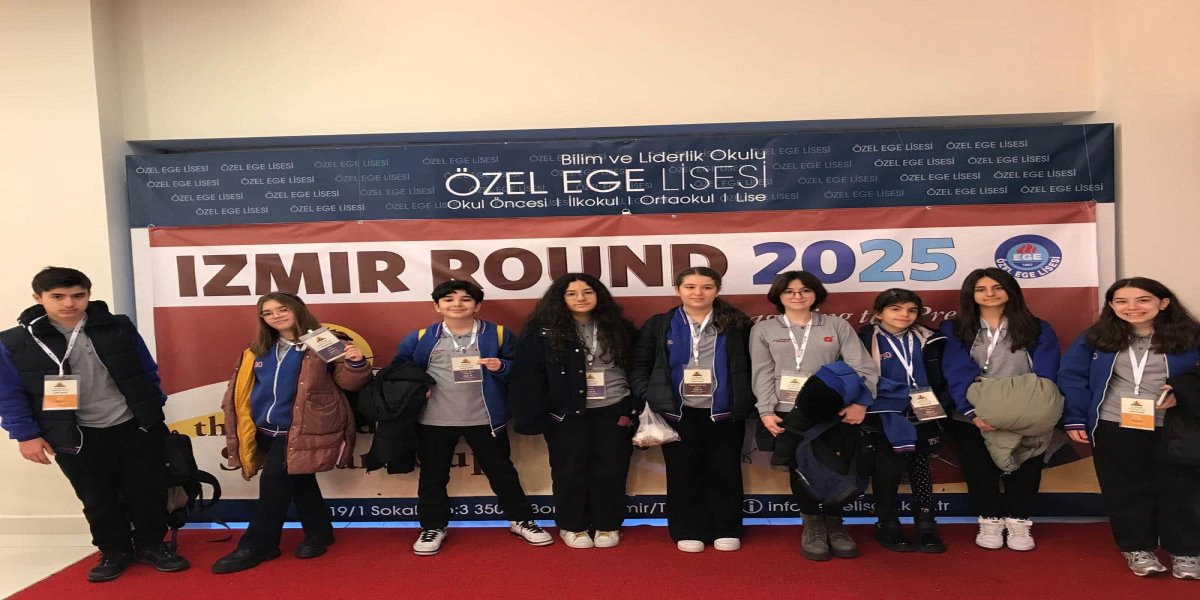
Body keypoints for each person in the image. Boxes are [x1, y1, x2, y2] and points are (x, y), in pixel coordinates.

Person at [0, 267, 189, 582]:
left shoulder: (117, 327)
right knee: (96, 497)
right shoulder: (15, 341)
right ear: (38, 298)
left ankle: (151, 546)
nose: (69, 303)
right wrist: (25, 435)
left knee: (147, 490)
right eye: (58, 297)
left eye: (78, 295)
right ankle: (114, 551)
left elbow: (145, 368)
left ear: (88, 295)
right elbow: (8, 392)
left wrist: (151, 408)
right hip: (73, 433)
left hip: (133, 424)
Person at [212, 292, 370, 573]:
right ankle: (320, 532)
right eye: (268, 313)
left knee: (273, 483)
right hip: (265, 428)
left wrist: (355, 363)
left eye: (282, 309)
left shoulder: (322, 341)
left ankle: (259, 544)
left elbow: (350, 382)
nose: (276, 316)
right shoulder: (258, 349)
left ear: (297, 309)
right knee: (299, 481)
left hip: (300, 429)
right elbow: (244, 388)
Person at [392, 280, 552, 556]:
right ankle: (433, 526)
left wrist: (502, 366)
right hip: (434, 420)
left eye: (465, 299)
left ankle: (522, 520)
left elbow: (523, 371)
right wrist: (417, 389)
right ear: (437, 306)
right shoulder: (420, 337)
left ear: (477, 305)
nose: (457, 304)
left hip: (486, 418)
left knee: (502, 473)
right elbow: (399, 372)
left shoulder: (498, 334)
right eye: (448, 299)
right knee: (432, 476)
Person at [1058, 277, 1200, 579]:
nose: (1132, 307)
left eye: (1143, 300)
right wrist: (1075, 417)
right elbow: (1072, 376)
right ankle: (1137, 548)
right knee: (1124, 489)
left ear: (1163, 303)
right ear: (1111, 306)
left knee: (1183, 489)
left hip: (1177, 426)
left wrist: (1183, 392)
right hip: (1114, 423)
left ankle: (1187, 551)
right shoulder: (1096, 337)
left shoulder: (1192, 336)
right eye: (1121, 301)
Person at [750, 270, 878, 560]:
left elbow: (861, 366)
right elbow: (762, 372)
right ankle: (812, 525)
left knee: (835, 466)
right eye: (789, 291)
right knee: (800, 469)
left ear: (815, 294)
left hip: (832, 411)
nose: (798, 296)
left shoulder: (836, 325)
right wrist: (765, 410)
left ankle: (835, 523)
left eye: (805, 290)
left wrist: (861, 403)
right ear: (779, 296)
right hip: (787, 412)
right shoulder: (764, 330)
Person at [630, 266, 754, 553]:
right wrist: (652, 395)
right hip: (677, 413)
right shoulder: (660, 324)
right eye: (690, 287)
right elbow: (640, 365)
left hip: (723, 412)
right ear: (678, 290)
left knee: (725, 471)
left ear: (717, 290)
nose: (698, 292)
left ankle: (727, 528)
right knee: (682, 473)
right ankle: (687, 529)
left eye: (706, 287)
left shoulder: (736, 324)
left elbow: (751, 365)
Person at [508, 273, 637, 548]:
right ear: (560, 298)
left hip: (614, 408)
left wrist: (634, 404)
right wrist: (530, 416)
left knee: (611, 469)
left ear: (598, 295)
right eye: (572, 293)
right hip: (564, 413)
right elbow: (528, 377)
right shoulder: (541, 333)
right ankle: (573, 526)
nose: (581, 298)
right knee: (569, 470)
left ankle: (607, 525)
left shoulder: (619, 328)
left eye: (588, 292)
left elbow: (636, 367)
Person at [940, 267, 1060, 551]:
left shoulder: (1037, 328)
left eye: (997, 287)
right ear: (970, 294)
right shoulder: (954, 329)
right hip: (973, 413)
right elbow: (955, 371)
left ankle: (1019, 522)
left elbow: (1047, 372)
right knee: (979, 468)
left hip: (1026, 410)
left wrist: (1033, 409)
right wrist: (971, 411)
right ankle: (989, 520)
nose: (990, 294)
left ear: (1010, 291)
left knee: (1026, 465)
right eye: (981, 289)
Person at [856, 288, 949, 553]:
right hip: (883, 414)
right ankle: (887, 523)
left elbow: (942, 375)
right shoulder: (863, 339)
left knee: (921, 467)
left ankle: (926, 525)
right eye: (895, 309)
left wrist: (942, 402)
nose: (904, 315)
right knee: (887, 470)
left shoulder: (930, 338)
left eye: (911, 310)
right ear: (878, 313)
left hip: (924, 410)